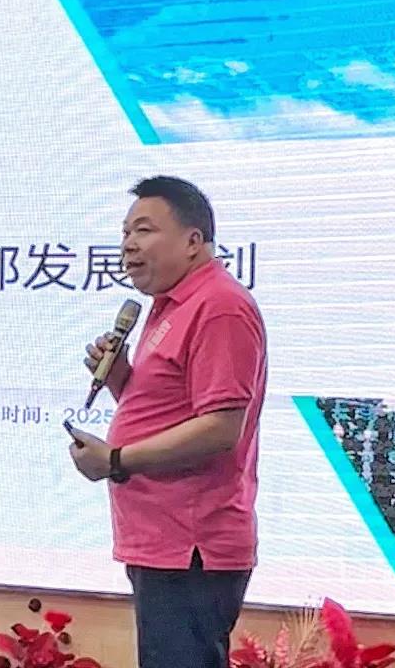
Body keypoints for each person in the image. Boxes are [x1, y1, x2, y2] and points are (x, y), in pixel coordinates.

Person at [67, 176, 267, 668]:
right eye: (125, 233)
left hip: (191, 544)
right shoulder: (169, 305)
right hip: (161, 539)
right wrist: (119, 376)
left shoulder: (219, 307)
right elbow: (167, 408)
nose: (128, 245)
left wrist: (116, 459)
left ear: (193, 241)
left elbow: (220, 428)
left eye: (144, 230)